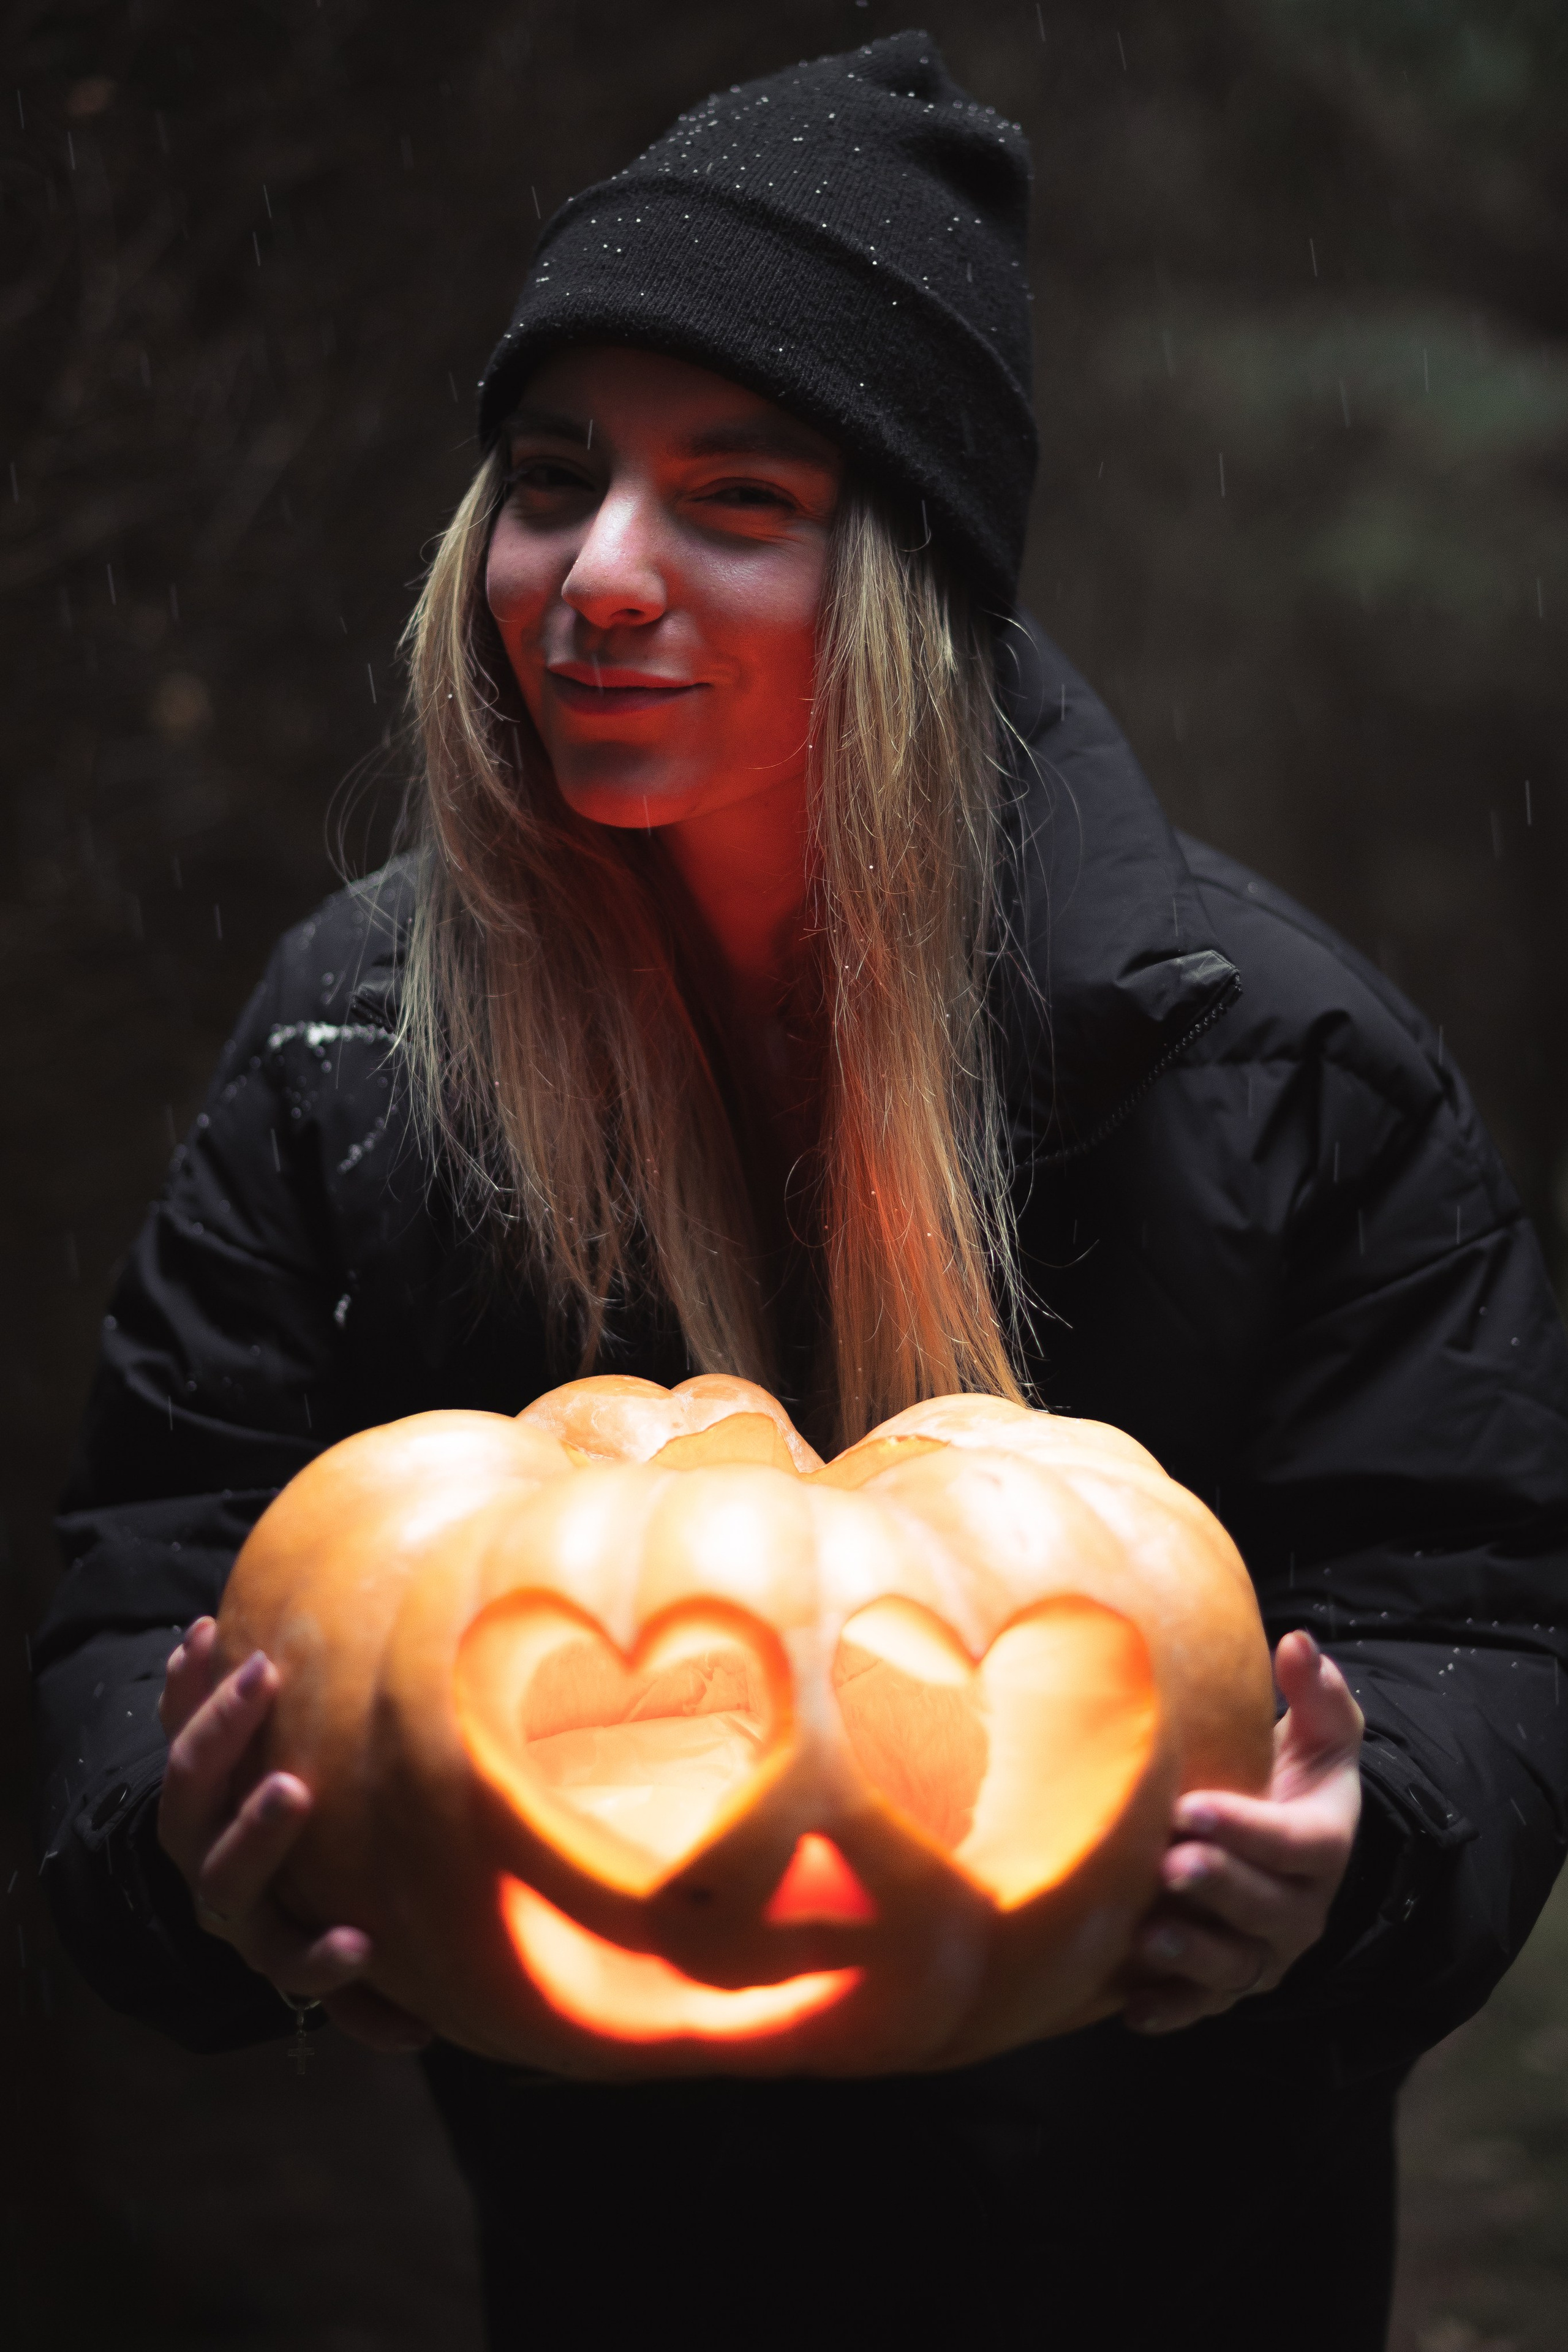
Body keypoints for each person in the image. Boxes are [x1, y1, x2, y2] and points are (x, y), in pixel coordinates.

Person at [32, 32, 1568, 2351]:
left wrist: (1373, 1858)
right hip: (613, 2266)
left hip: (1170, 2264)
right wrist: (165, 1847)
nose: (596, 578)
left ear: (908, 585)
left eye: (733, 500)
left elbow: (1475, 1604)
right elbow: (148, 1560)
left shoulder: (1273, 1061)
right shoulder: (366, 1050)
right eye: (554, 485)